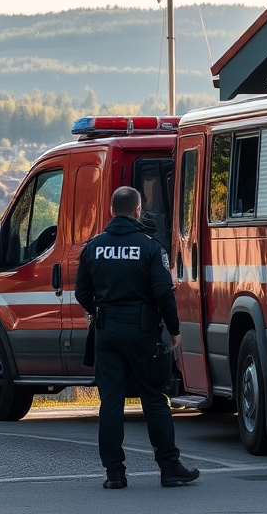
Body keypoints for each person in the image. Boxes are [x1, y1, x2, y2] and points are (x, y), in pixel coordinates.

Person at [75, 185, 200, 490]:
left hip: (106, 333)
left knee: (111, 403)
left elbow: (81, 292)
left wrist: (100, 311)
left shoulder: (93, 247)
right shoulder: (150, 247)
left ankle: (114, 473)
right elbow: (163, 292)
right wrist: (174, 330)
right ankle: (169, 468)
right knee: (154, 398)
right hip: (142, 332)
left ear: (111, 211)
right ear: (137, 211)